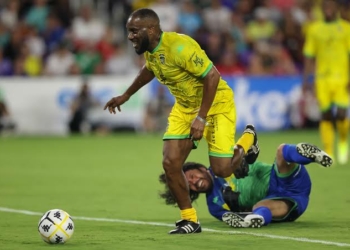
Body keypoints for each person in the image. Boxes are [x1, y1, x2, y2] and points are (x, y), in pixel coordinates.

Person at [103, 8, 256, 234]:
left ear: (152, 29)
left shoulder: (180, 47)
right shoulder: (152, 50)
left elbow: (212, 76)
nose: (130, 36)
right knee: (170, 163)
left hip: (216, 104)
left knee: (222, 170)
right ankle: (190, 220)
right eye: (129, 31)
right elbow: (150, 69)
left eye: (134, 31)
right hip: (185, 108)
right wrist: (126, 95)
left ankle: (248, 140)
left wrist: (201, 118)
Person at [159, 129, 333, 228]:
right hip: (285, 203)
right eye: (189, 186)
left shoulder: (223, 162)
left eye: (191, 176)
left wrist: (244, 158)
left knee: (281, 152)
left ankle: (312, 155)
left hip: (282, 177)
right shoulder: (214, 205)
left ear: (201, 168)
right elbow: (231, 218)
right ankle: (258, 218)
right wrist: (238, 213)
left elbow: (250, 133)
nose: (193, 182)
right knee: (259, 208)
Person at [303, 0, 350, 164]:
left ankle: (343, 140)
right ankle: (329, 151)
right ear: (322, 10)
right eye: (325, 7)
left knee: (342, 115)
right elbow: (309, 56)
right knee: (326, 115)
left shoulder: (346, 28)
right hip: (322, 78)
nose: (328, 10)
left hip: (342, 78)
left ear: (337, 9)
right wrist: (306, 80)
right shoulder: (315, 29)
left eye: (331, 7)